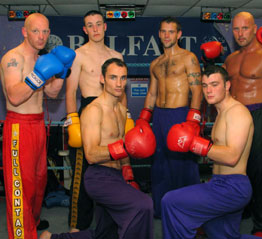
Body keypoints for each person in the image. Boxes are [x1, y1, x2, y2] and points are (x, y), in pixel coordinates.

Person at [162, 65, 262, 239]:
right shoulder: (220, 113)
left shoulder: (237, 113)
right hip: (219, 183)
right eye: (205, 86)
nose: (208, 91)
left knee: (171, 202)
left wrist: (196, 144)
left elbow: (232, 156)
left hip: (232, 187)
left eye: (214, 84)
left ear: (227, 85)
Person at [40, 58, 155, 239]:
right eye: (113, 77)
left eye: (123, 78)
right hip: (99, 177)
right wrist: (124, 147)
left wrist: (128, 172)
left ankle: (51, 238)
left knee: (106, 234)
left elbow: (122, 145)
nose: (119, 83)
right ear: (102, 78)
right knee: (143, 205)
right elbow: (91, 154)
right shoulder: (94, 110)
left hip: (117, 176)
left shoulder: (120, 109)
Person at [0, 13, 75, 239]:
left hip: (38, 125)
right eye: (36, 31)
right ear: (25, 32)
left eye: (45, 31)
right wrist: (39, 74)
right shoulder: (12, 58)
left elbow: (51, 92)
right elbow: (14, 96)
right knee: (20, 187)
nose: (41, 36)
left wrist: (62, 70)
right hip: (18, 127)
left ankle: (31, 222)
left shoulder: (42, 58)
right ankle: (22, 234)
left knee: (38, 182)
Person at [222, 11, 262, 237]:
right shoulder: (230, 59)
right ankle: (244, 210)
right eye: (236, 29)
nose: (240, 33)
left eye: (245, 28)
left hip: (259, 115)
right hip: (235, 116)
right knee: (235, 169)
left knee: (260, 173)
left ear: (254, 28)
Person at [65, 10, 126, 232]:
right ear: (85, 30)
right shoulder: (78, 55)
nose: (95, 29)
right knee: (81, 175)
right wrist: (73, 123)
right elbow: (71, 92)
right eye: (90, 25)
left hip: (113, 111)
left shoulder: (117, 56)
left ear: (105, 26)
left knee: (114, 168)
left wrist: (126, 118)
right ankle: (77, 228)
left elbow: (122, 92)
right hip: (88, 113)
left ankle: (109, 225)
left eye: (98, 24)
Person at [137, 16, 202, 218]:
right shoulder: (155, 63)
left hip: (181, 114)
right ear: (159, 34)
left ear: (179, 34)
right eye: (163, 31)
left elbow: (197, 91)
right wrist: (143, 120)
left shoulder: (188, 58)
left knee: (185, 166)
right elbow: (152, 93)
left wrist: (192, 121)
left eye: (171, 31)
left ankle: (191, 211)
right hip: (160, 117)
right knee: (159, 164)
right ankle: (162, 209)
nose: (166, 35)